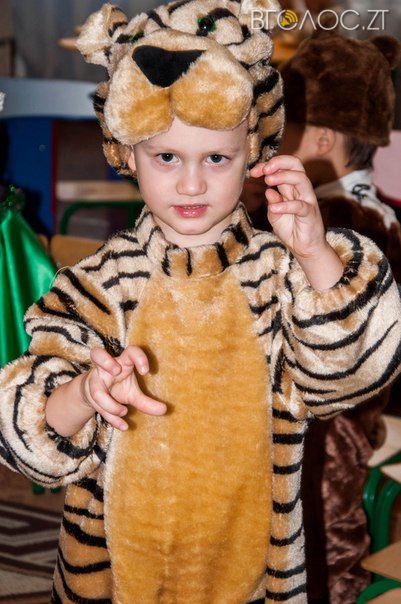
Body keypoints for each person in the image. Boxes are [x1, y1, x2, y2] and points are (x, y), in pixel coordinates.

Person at [0, 3, 400, 603]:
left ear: (253, 153)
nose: (192, 184)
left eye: (216, 158)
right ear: (127, 153)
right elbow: (29, 441)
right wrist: (84, 393)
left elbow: (351, 376)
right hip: (114, 575)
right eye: (167, 157)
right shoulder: (98, 285)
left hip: (253, 573)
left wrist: (316, 252)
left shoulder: (279, 274)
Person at [242, 26, 401, 603]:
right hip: (348, 401)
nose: (272, 148)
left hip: (335, 419)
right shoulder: (379, 209)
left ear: (322, 139)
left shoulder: (339, 224)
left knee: (308, 526)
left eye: (285, 134)